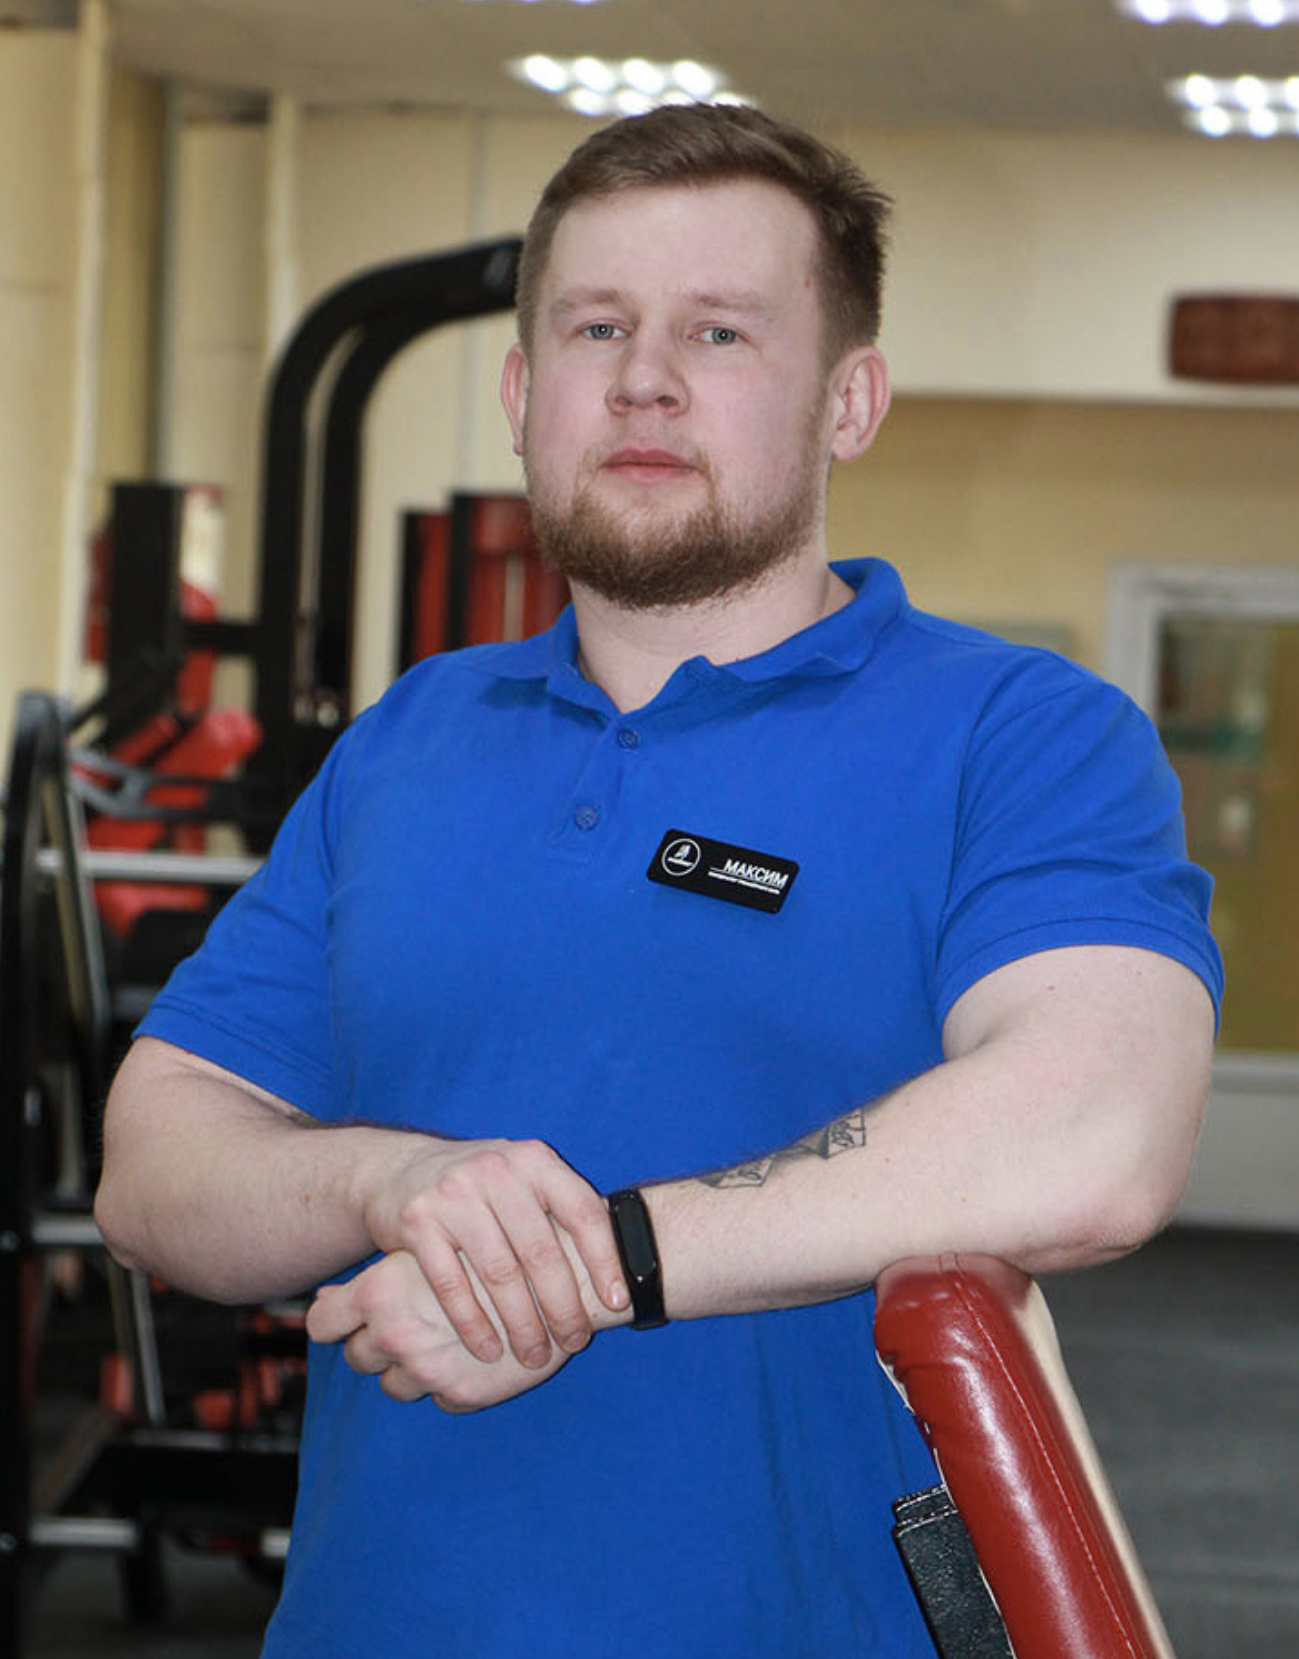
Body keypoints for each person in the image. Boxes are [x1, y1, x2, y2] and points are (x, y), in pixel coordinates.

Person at [95, 103, 1222, 1658]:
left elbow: (1096, 1134)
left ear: (848, 402)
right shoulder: (412, 737)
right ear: (520, 394)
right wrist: (386, 1183)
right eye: (596, 327)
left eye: (719, 331)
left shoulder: (1019, 734)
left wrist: (598, 1263)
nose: (643, 378)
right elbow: (152, 1168)